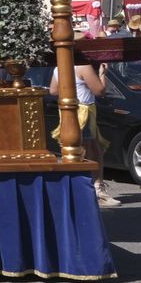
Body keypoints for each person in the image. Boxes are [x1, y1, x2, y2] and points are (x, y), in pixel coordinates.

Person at [49, 60, 118, 208]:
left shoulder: (60, 65)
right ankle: (96, 191)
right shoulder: (83, 66)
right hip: (83, 111)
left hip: (70, 110)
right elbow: (100, 91)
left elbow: (53, 91)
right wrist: (102, 74)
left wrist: (71, 88)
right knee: (90, 151)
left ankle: (90, 189)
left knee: (89, 149)